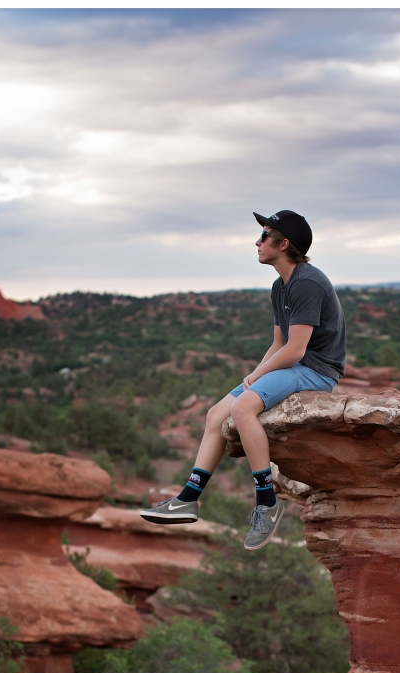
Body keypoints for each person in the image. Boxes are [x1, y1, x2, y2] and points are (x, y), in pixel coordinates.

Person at [140, 210, 346, 550]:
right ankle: (188, 499)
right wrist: (256, 373)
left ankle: (267, 502)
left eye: (265, 235)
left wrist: (258, 376)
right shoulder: (280, 286)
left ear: (284, 243)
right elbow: (278, 344)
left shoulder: (306, 282)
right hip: (293, 366)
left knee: (242, 410)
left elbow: (295, 350)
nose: (257, 241)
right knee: (216, 414)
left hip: (318, 370)